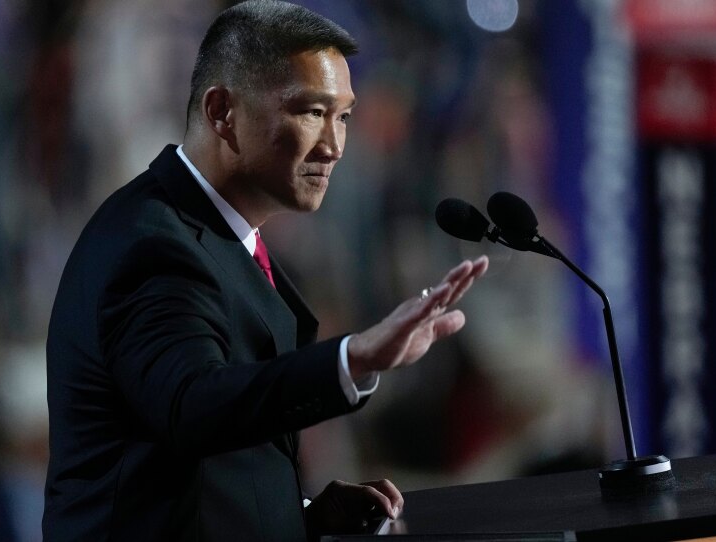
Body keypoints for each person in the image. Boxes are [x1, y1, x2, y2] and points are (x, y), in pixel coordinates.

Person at [43, 1, 488, 541]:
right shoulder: (153, 245)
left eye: (342, 116)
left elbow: (203, 465)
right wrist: (353, 358)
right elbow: (194, 406)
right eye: (309, 112)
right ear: (221, 112)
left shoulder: (218, 235)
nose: (334, 146)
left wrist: (296, 513)